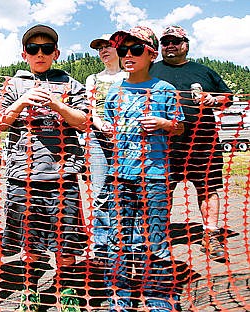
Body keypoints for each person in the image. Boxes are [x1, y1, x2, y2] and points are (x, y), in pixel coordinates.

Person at [0, 24, 88, 312]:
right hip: (23, 176)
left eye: (46, 49)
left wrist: (59, 106)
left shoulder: (70, 83)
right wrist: (22, 102)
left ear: (55, 53)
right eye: (34, 49)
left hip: (63, 174)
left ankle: (67, 292)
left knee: (67, 242)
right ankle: (30, 292)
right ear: (25, 54)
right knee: (29, 242)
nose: (40, 53)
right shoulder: (13, 84)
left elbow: (84, 121)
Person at [102, 26, 185, 311]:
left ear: (151, 54)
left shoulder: (165, 90)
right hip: (119, 176)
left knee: (156, 238)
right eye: (123, 50)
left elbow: (180, 126)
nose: (128, 55)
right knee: (118, 239)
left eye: (135, 49)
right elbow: (110, 126)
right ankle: (119, 298)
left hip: (154, 176)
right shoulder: (115, 92)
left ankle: (159, 297)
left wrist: (164, 124)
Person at [149, 25, 233, 262]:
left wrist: (213, 99)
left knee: (208, 188)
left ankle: (211, 235)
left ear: (186, 44)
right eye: (165, 42)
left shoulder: (204, 71)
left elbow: (228, 98)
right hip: (164, 145)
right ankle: (159, 238)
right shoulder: (151, 71)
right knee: (161, 192)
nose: (170, 45)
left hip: (203, 142)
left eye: (175, 41)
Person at [85, 34, 128, 258]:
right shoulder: (93, 79)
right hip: (99, 139)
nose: (103, 51)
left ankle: (123, 241)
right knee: (101, 192)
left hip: (126, 139)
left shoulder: (129, 76)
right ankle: (99, 246)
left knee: (125, 190)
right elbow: (91, 109)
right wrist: (102, 126)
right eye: (99, 48)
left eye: (108, 46)